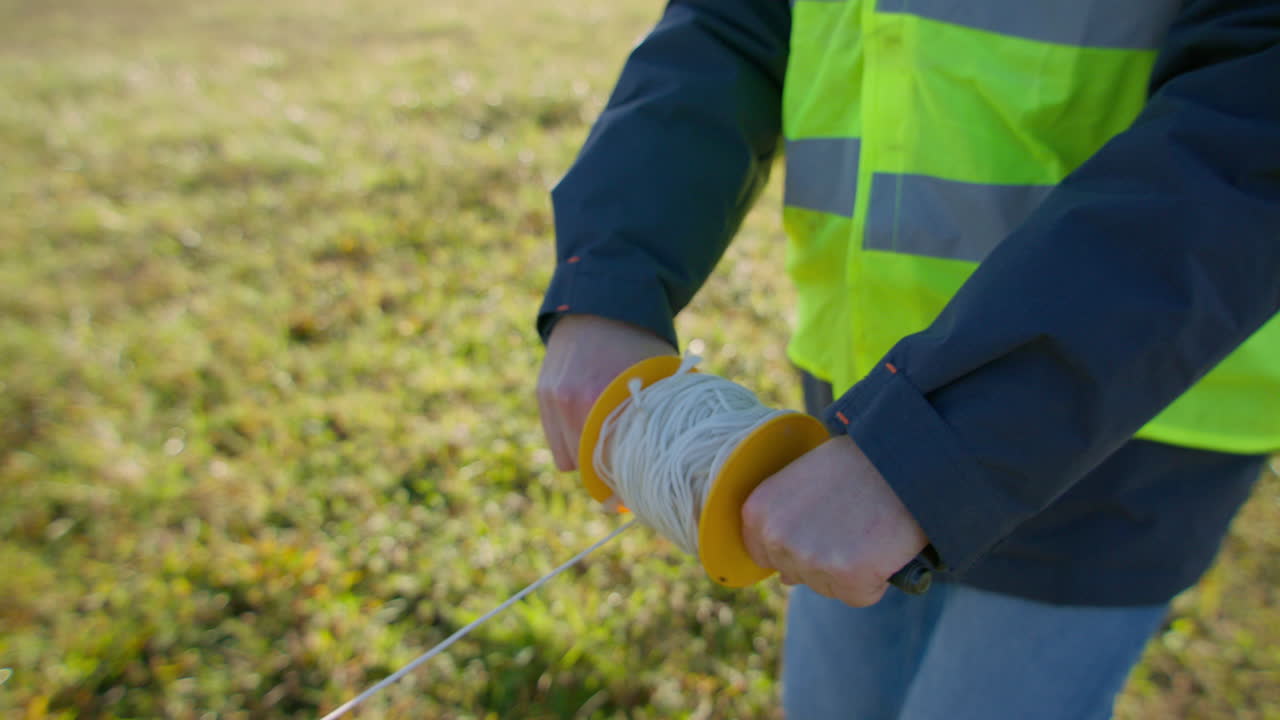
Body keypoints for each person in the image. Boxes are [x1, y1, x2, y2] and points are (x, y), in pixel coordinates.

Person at [535, 1, 1280, 718]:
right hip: (857, 418)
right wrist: (610, 274)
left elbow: (1253, 117)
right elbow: (732, 20)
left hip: (1124, 421)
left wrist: (936, 446)